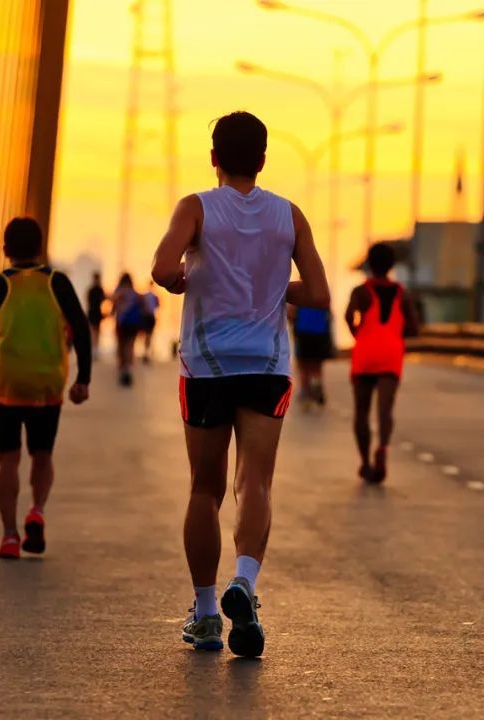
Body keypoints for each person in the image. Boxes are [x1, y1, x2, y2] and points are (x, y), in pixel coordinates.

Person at [152, 111, 329, 657]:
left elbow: (161, 268)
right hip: (266, 362)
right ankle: (244, 583)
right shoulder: (289, 215)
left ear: (213, 158)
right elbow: (319, 293)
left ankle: (206, 614)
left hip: (207, 362)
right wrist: (277, 290)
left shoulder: (197, 208)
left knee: (204, 489)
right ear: (264, 159)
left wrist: (184, 279)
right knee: (255, 482)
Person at [0, 217, 92, 559]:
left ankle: (8, 536)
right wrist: (83, 379)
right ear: (40, 247)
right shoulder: (58, 283)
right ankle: (37, 509)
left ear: (5, 249)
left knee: (8, 459)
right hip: (46, 383)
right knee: (42, 455)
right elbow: (81, 329)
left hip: (6, 382)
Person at [344, 242, 419, 485]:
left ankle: (365, 463)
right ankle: (383, 449)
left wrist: (358, 334)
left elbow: (348, 316)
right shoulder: (402, 293)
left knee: (362, 412)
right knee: (385, 411)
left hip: (365, 353)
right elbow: (413, 327)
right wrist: (395, 334)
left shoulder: (360, 291)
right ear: (392, 265)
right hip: (390, 354)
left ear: (369, 263)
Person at [290, 305, 333, 407]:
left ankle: (306, 393)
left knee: (303, 366)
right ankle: (317, 385)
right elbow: (329, 314)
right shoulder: (320, 295)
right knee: (317, 365)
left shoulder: (300, 294)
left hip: (303, 331)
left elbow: (290, 313)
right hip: (320, 332)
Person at [112, 272, 143, 386]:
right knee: (130, 345)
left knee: (121, 345)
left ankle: (123, 368)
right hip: (133, 323)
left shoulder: (119, 291)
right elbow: (142, 306)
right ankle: (129, 368)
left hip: (122, 322)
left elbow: (113, 305)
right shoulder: (135, 294)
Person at [140, 282, 160, 363]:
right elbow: (157, 306)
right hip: (150, 317)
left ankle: (146, 352)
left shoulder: (146, 296)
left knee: (147, 336)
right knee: (149, 335)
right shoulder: (154, 296)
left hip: (146, 317)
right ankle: (147, 352)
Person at [86, 272, 106, 348]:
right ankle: (95, 347)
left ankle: (94, 347)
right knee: (95, 331)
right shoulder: (99, 289)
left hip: (94, 312)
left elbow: (87, 300)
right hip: (95, 312)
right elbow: (103, 300)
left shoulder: (93, 289)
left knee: (94, 331)